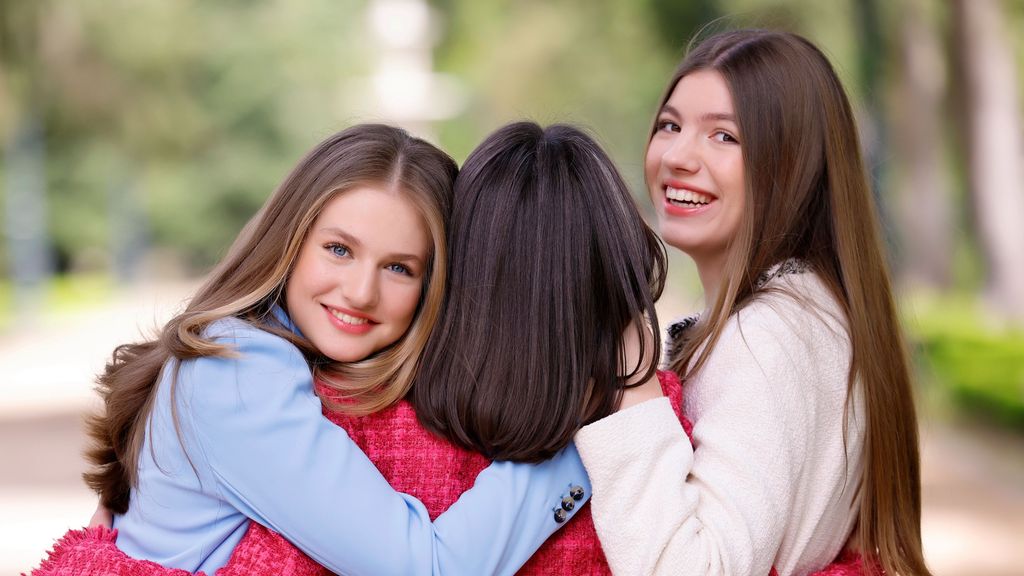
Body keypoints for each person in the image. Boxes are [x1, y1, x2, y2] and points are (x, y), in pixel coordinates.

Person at [41, 124, 592, 575]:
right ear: (289, 240)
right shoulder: (235, 372)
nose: (360, 291)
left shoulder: (286, 363)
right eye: (338, 249)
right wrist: (587, 428)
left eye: (399, 267)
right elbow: (424, 569)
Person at [574, 29, 932, 576]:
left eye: (724, 137)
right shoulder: (812, 311)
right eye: (670, 125)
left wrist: (630, 372)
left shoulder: (765, 336)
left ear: (793, 165)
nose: (677, 156)